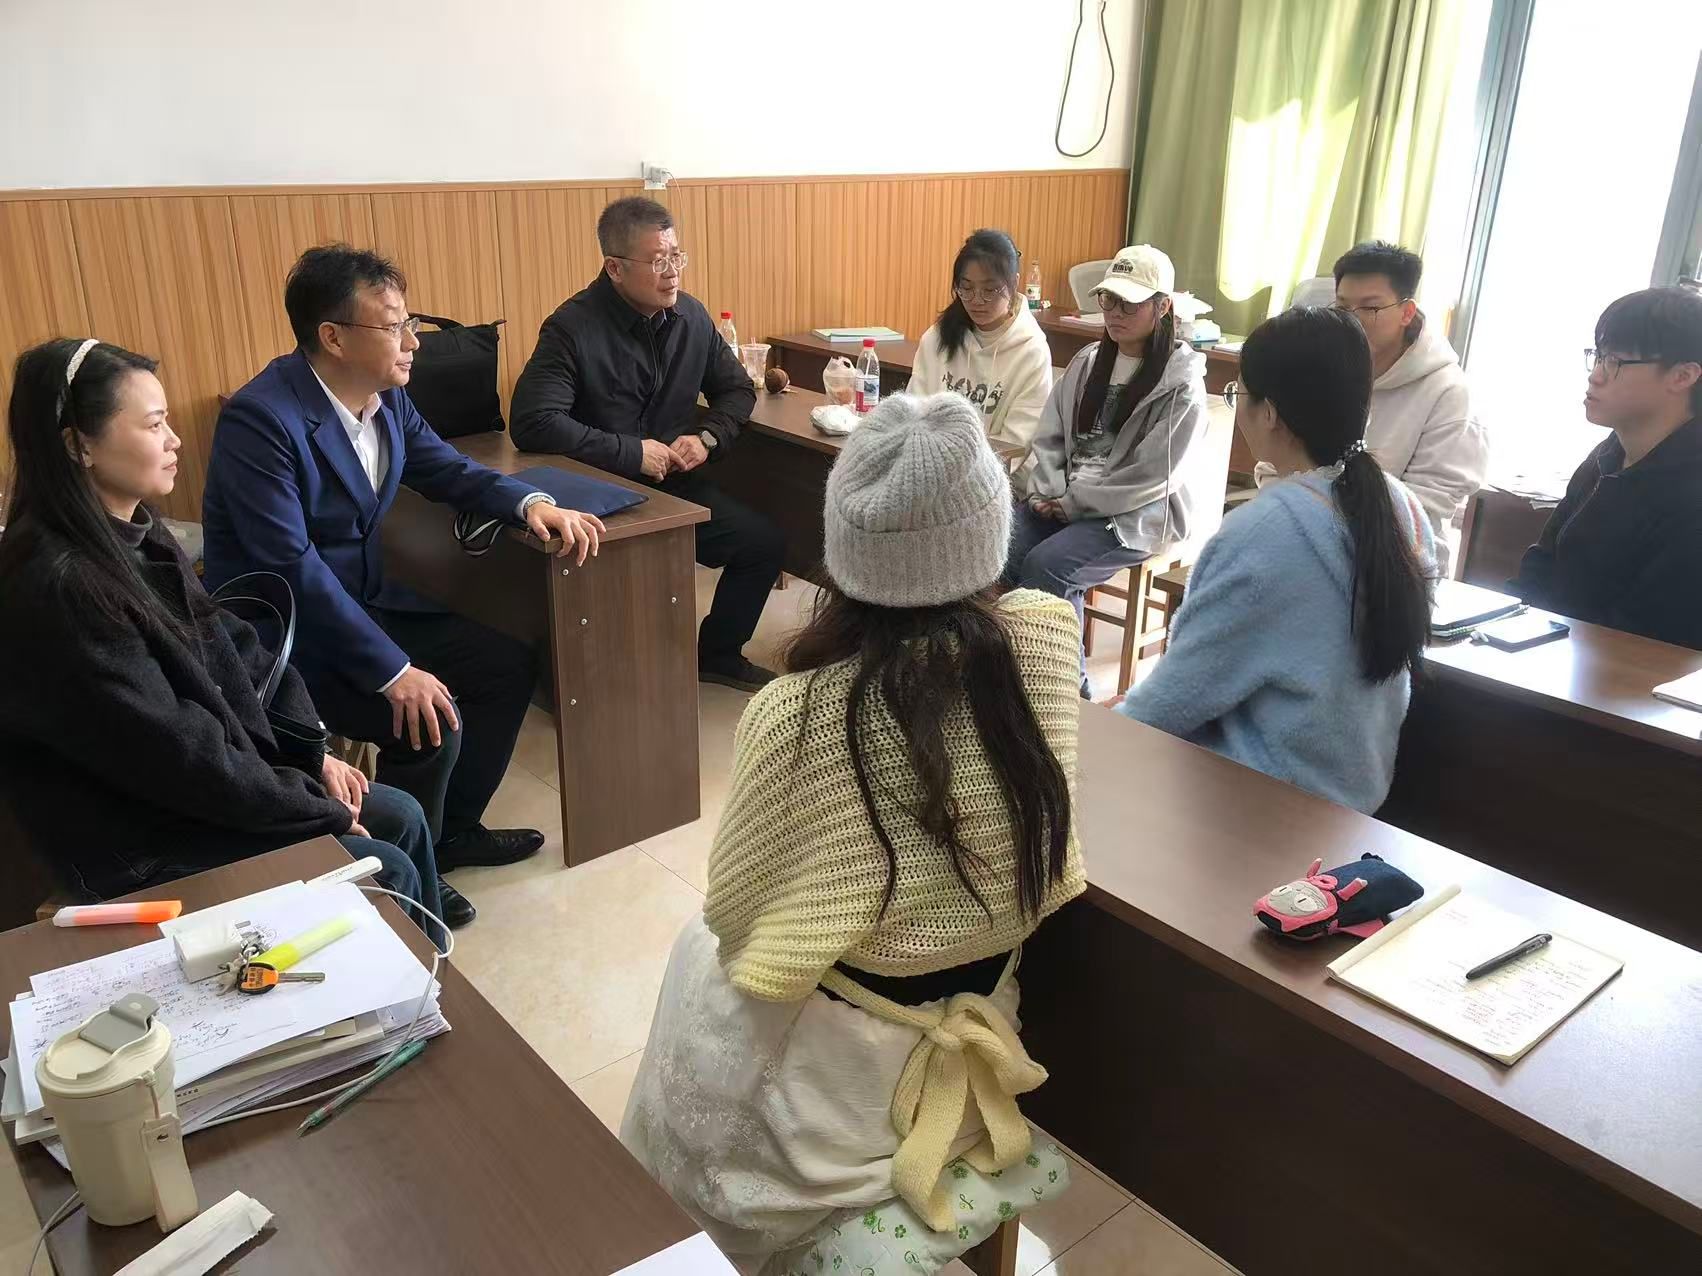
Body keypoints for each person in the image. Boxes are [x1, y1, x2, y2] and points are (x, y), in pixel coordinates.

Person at [622, 393, 1084, 1273]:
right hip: (987, 1013)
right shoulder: (1047, 641)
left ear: (845, 550)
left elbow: (743, 924)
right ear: (989, 534)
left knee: (696, 955)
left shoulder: (798, 713)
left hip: (847, 1094)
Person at [0, 338, 453, 936]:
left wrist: (310, 753)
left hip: (198, 785)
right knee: (383, 863)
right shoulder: (62, 585)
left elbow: (235, 648)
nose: (175, 440)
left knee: (402, 814)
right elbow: (174, 753)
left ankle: (426, 976)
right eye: (154, 425)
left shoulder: (137, 531)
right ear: (77, 445)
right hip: (138, 834)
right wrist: (309, 808)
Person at [202, 245, 606, 876]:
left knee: (505, 665)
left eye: (409, 322)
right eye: (394, 326)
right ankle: (405, 870)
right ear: (333, 337)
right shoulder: (261, 420)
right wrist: (392, 671)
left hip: (361, 605)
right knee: (429, 719)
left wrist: (528, 503)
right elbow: (291, 567)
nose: (413, 342)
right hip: (288, 639)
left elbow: (444, 467)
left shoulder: (384, 397)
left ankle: (451, 835)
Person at [1119, 307, 1436, 813]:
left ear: (1269, 412)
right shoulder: (1403, 507)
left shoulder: (1263, 532)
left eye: (1238, 393)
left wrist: (1102, 735)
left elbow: (1175, 698)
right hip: (1357, 790)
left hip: (1265, 797)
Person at [510, 197, 784, 692]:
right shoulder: (573, 327)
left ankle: (718, 655)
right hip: (595, 490)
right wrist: (632, 452)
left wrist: (707, 437)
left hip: (673, 485)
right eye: (658, 261)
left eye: (677, 256)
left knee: (763, 544)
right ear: (614, 268)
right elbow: (533, 422)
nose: (672, 272)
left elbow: (737, 389)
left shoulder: (691, 317)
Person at [1003, 245, 1209, 687]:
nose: (1115, 312)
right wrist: (1047, 491)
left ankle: (1070, 693)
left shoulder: (1182, 383)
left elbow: (1153, 476)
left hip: (1135, 514)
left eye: (1129, 303)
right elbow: (1050, 436)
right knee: (997, 547)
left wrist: (1074, 504)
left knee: (1047, 566)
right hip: (1066, 499)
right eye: (1108, 299)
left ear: (1162, 307)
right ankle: (1013, 676)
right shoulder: (1088, 361)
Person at [1508, 286, 1702, 650]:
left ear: (1682, 376)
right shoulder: (1607, 454)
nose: (1596, 375)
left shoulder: (1692, 493)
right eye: (1598, 357)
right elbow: (1541, 562)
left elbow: (1652, 631)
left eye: (1615, 362)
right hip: (1554, 654)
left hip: (1630, 671)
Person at [1331, 240, 1487, 571]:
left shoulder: (1448, 391)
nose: (1352, 320)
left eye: (1370, 308)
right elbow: (1278, 464)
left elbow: (1422, 508)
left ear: (1407, 312)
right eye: (1342, 308)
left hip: (1398, 565)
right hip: (1312, 545)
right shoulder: (1325, 367)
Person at [906, 229, 1053, 482]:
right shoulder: (939, 337)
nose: (976, 300)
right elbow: (913, 411)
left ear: (1014, 282)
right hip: (931, 471)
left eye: (990, 290)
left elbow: (1014, 446)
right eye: (966, 288)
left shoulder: (1031, 350)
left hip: (998, 483)